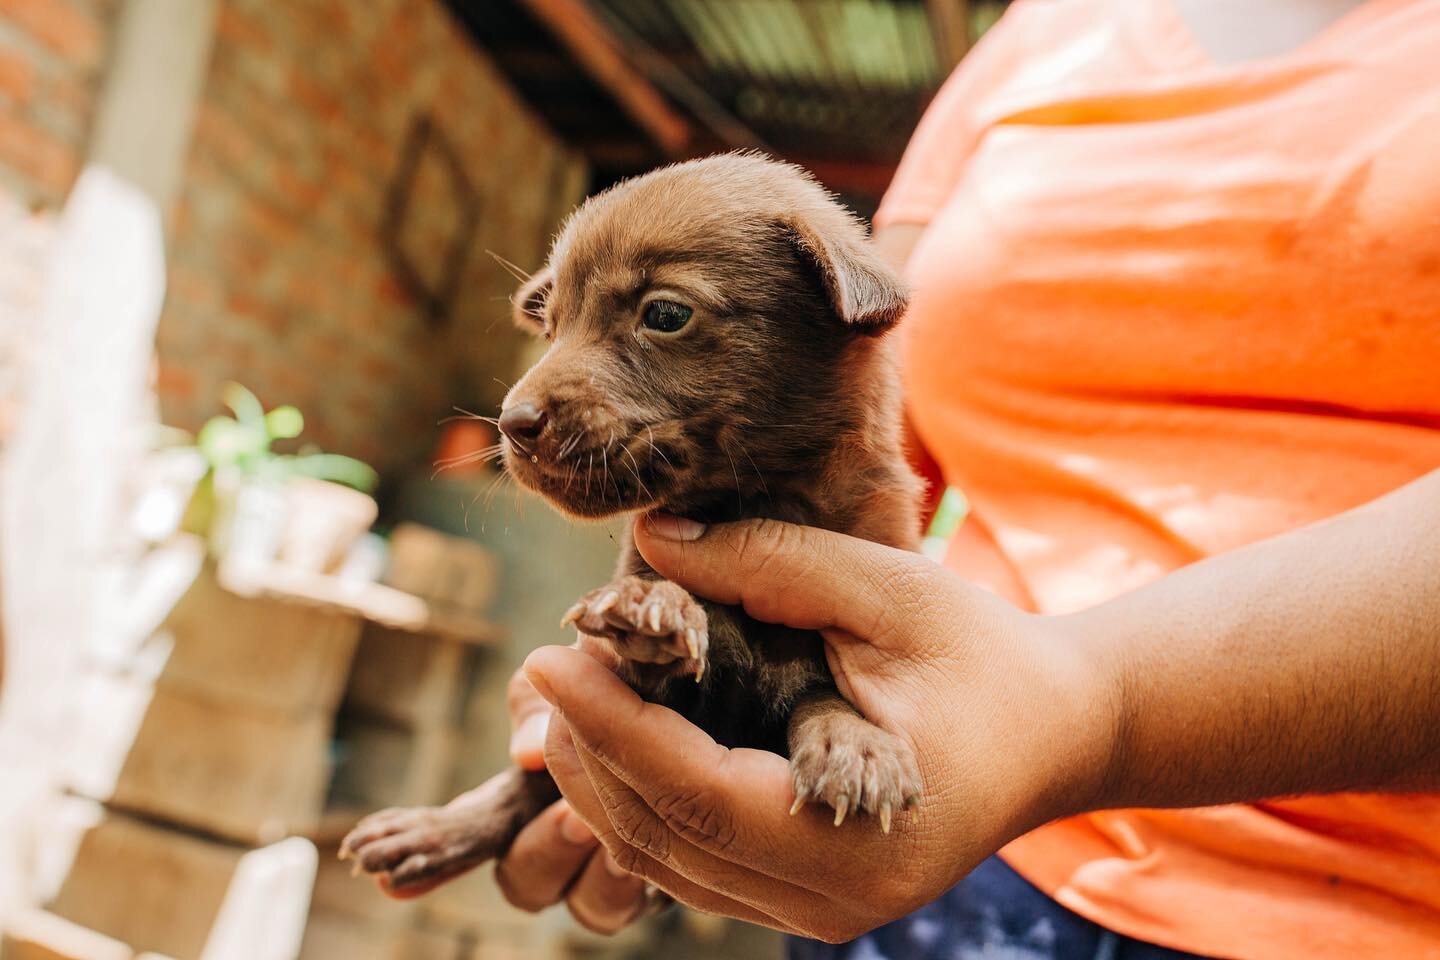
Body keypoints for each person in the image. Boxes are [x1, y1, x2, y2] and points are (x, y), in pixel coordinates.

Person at [492, 0, 1440, 956]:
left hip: (1369, 906)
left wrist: (1087, 714)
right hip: (926, 821)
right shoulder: (1042, 37)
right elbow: (860, 405)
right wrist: (661, 683)